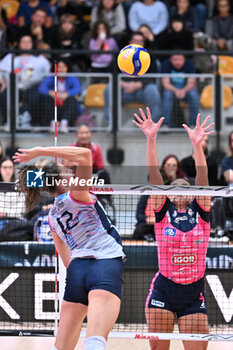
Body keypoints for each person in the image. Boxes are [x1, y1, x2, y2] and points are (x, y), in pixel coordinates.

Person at [13, 145, 125, 350]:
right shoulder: (79, 194)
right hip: (105, 266)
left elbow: (66, 260)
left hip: (77, 273)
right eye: (67, 171)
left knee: (61, 347)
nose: (72, 172)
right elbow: (85, 155)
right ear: (61, 182)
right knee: (94, 342)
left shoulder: (52, 215)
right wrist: (39, 151)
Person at [133, 106, 214, 350]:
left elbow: (203, 180)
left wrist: (197, 146)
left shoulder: (202, 214)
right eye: (175, 185)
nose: (180, 187)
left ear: (192, 194)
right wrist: (151, 139)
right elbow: (153, 175)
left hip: (193, 295)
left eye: (185, 185)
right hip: (163, 292)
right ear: (169, 192)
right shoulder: (162, 213)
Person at [0, 34, 51, 128]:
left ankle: (34, 123)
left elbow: (48, 75)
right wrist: (2, 81)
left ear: (33, 44)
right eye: (24, 42)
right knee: (4, 96)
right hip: (13, 87)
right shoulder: (10, 57)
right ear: (19, 44)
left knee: (36, 96)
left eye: (29, 42)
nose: (26, 44)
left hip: (33, 87)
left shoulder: (40, 59)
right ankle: (9, 122)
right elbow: (1, 70)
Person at [38, 59, 82, 132]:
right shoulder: (51, 77)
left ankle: (64, 124)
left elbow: (78, 88)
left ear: (67, 68)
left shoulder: (72, 77)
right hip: (54, 106)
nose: (61, 69)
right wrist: (51, 93)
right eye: (59, 67)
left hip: (67, 107)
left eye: (63, 67)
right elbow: (41, 88)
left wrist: (67, 94)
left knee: (72, 99)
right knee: (46, 98)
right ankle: (53, 123)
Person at [161, 53, 199, 127]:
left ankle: (193, 125)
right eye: (175, 59)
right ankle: (165, 124)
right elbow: (165, 84)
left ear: (184, 59)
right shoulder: (166, 64)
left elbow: (192, 83)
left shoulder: (189, 64)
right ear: (170, 59)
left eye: (180, 59)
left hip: (186, 91)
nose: (177, 62)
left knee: (194, 95)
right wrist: (176, 90)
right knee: (167, 95)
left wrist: (183, 90)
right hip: (171, 91)